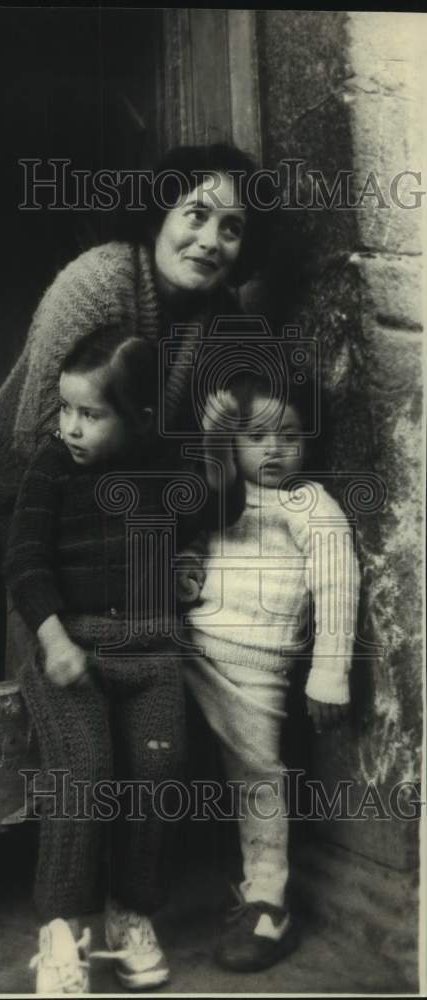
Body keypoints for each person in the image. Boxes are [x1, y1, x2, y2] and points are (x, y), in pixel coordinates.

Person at [4, 328, 244, 993]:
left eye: (91, 414)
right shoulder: (51, 467)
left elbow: (219, 505)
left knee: (161, 766)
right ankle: (60, 930)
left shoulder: (161, 467)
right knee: (85, 769)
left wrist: (220, 446)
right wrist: (52, 640)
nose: (71, 428)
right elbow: (23, 560)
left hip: (149, 650)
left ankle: (130, 913)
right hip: (67, 646)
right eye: (65, 411)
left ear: (138, 419)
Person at [0, 142, 272, 567]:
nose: (210, 242)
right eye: (196, 216)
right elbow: (45, 440)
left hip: (133, 518)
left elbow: (206, 470)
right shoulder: (94, 283)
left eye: (231, 229)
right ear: (158, 220)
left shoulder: (225, 323)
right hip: (30, 503)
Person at [178, 374, 360, 972]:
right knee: (160, 751)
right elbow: (196, 545)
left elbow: (337, 586)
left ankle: (267, 898)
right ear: (231, 443)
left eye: (289, 435)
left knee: (258, 775)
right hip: (189, 649)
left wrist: (329, 674)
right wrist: (186, 571)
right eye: (257, 436)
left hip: (257, 668)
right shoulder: (222, 496)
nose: (275, 449)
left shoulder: (310, 507)